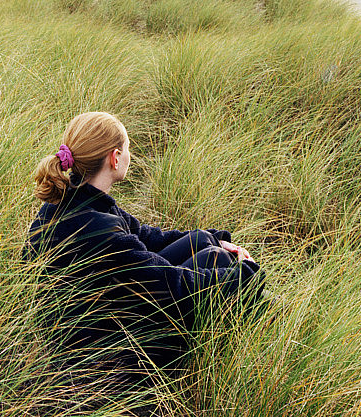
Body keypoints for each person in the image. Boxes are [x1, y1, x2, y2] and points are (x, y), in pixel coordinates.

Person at [22, 111, 264, 380]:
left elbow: (148, 237)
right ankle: (249, 351)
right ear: (115, 158)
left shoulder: (74, 201)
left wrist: (215, 237)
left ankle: (259, 319)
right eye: (128, 148)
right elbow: (172, 284)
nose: (129, 155)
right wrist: (246, 275)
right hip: (100, 361)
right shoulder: (100, 229)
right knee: (216, 262)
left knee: (205, 246)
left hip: (93, 322)